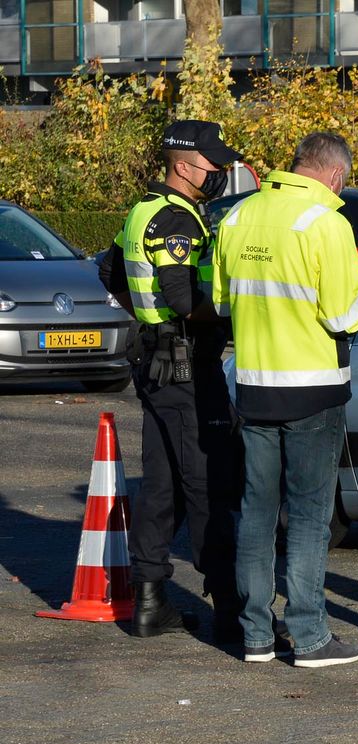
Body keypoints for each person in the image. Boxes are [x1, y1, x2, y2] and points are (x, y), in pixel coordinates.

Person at [212, 132, 358, 667]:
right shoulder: (326, 223)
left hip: (254, 386)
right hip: (312, 391)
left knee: (256, 512)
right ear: (332, 174)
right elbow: (340, 315)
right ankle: (309, 636)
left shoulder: (236, 218)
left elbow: (220, 300)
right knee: (308, 515)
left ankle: (255, 634)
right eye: (344, 182)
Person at [99, 120, 241, 642]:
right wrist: (231, 312)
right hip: (186, 370)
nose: (219, 174)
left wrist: (145, 317)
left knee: (160, 487)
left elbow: (109, 271)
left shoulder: (142, 211)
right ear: (183, 166)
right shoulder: (177, 220)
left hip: (157, 365)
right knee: (208, 484)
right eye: (213, 165)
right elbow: (184, 299)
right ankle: (230, 607)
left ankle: (150, 600)